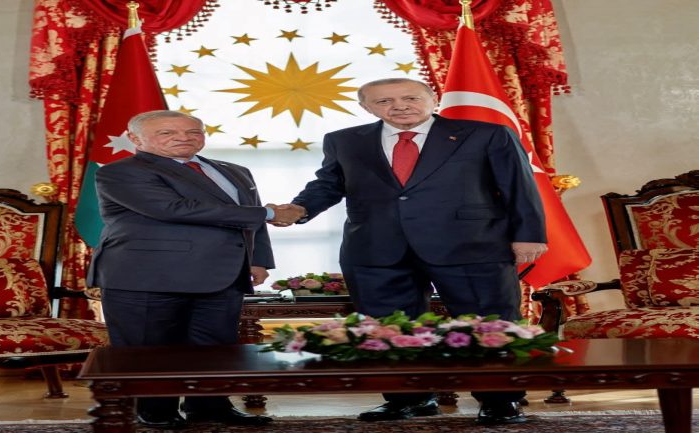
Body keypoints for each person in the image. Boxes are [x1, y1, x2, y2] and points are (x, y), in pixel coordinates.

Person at [269, 78, 547, 425]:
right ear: (366, 107)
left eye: (410, 98)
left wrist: (528, 235)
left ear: (433, 99)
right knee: (390, 328)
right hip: (375, 248)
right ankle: (409, 399)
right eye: (384, 101)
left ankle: (500, 400)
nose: (399, 106)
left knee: (488, 323)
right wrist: (299, 209)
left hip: (471, 245)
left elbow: (518, 186)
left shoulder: (486, 134)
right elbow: (328, 184)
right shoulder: (344, 140)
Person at [87, 110, 300, 429]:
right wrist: (269, 212)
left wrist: (258, 259)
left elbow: (248, 219)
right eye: (167, 133)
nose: (183, 138)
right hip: (147, 276)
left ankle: (210, 406)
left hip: (223, 274)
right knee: (151, 349)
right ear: (135, 139)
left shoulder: (234, 171)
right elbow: (174, 209)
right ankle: (155, 410)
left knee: (215, 347)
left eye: (193, 132)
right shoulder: (120, 172)